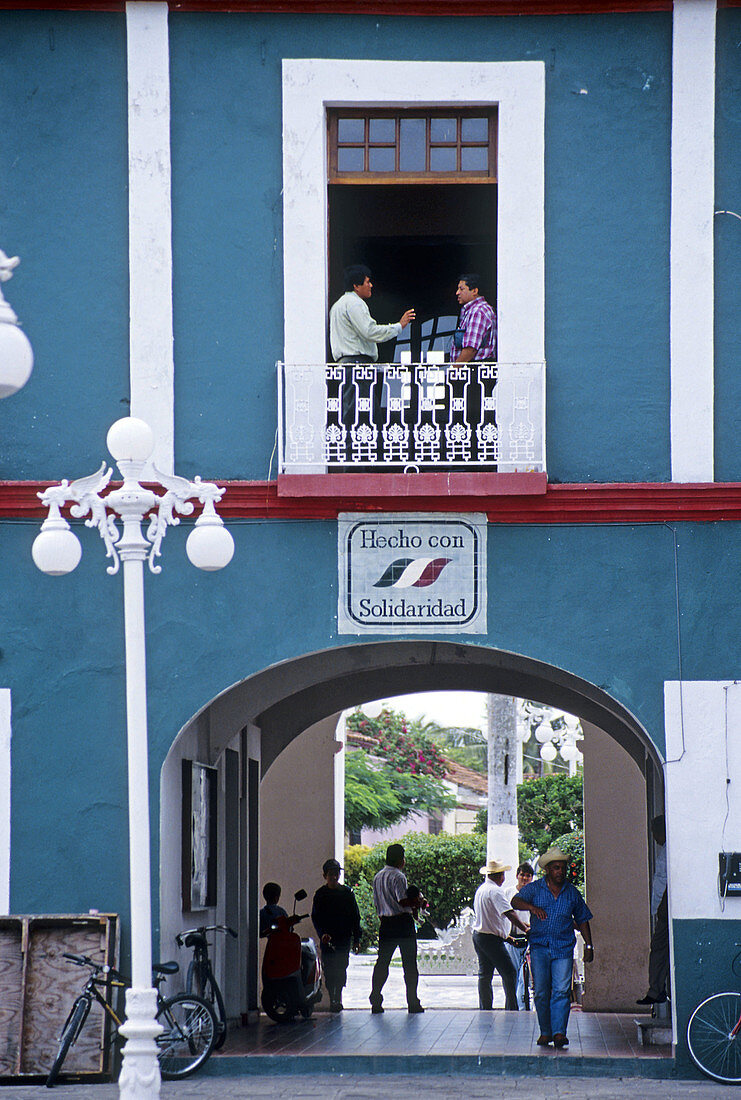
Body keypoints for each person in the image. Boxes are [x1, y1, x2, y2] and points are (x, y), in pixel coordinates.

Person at [512, 846, 594, 1049]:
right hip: (539, 947)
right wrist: (532, 908)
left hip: (563, 949)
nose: (560, 872)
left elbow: (583, 918)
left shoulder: (572, 893)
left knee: (561, 990)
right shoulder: (535, 888)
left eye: (563, 868)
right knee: (540, 991)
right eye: (556, 868)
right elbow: (515, 901)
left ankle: (559, 1033)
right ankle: (545, 1031)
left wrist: (589, 945)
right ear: (548, 870)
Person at [369, 843, 425, 1015]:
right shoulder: (398, 876)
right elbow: (402, 901)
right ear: (401, 859)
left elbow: (378, 903)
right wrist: (419, 902)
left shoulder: (378, 877)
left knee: (382, 963)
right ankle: (412, 1002)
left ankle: (376, 999)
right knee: (409, 965)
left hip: (386, 924)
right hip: (402, 924)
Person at [472, 858, 530, 1012]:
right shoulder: (496, 891)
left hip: (479, 936)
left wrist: (508, 938)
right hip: (490, 939)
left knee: (485, 974)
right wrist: (526, 929)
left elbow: (490, 920)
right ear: (500, 875)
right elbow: (510, 914)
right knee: (509, 972)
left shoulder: (482, 889)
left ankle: (485, 1009)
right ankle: (512, 1009)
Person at [329, 264, 415, 365]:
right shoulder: (354, 303)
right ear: (356, 286)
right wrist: (398, 326)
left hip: (343, 366)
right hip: (357, 365)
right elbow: (369, 331)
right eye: (368, 282)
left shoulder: (337, 306)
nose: (371, 285)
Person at [311, 858, 362, 1013]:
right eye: (331, 874)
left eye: (336, 873)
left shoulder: (347, 893)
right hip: (328, 939)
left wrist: (356, 939)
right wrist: (321, 934)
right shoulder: (320, 895)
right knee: (329, 969)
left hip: (343, 938)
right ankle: (333, 999)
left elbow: (355, 917)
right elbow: (316, 917)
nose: (334, 877)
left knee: (341, 968)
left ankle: (337, 997)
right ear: (324, 875)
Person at [637, 815, 669, 1006]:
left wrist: (662, 908)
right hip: (661, 910)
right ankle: (657, 989)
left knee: (658, 949)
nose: (654, 837)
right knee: (659, 950)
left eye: (655, 832)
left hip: (665, 911)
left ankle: (656, 990)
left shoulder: (670, 850)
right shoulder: (665, 850)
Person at [505, 862, 535, 1009]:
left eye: (528, 876)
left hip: (528, 940)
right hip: (512, 940)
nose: (524, 878)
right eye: (522, 874)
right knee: (512, 975)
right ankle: (512, 1006)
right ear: (517, 875)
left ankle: (523, 1007)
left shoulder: (534, 895)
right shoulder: (508, 892)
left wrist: (528, 926)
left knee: (525, 978)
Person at [450, 274, 497, 362]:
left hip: (474, 370)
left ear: (474, 291)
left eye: (462, 289)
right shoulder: (474, 310)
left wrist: (454, 370)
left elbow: (470, 349)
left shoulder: (478, 311)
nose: (457, 293)